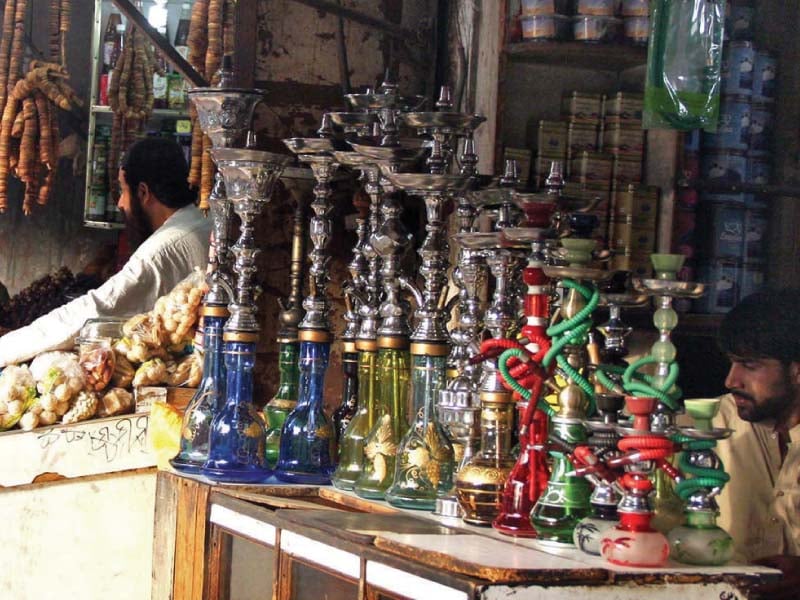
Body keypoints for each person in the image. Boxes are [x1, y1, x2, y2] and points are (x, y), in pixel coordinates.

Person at [0, 137, 211, 367]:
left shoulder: (163, 250)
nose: (120, 203)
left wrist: (6, 349)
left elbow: (95, 310)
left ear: (143, 192)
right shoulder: (200, 222)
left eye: (123, 191)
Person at [713, 289, 799, 599]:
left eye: (750, 366)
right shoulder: (709, 423)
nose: (731, 380)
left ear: (797, 370)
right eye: (732, 363)